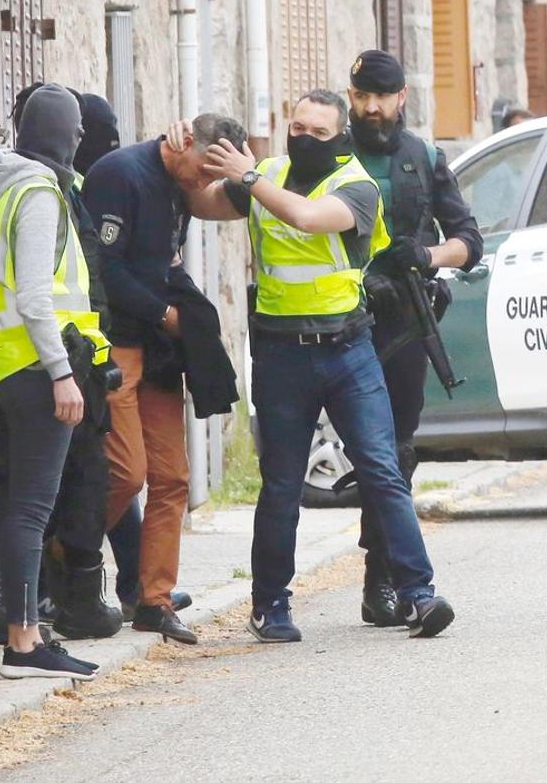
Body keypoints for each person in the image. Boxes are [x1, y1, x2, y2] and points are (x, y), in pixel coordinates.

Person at [187, 89, 455, 642]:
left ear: (340, 140)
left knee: (382, 470)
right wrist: (188, 160)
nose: (303, 138)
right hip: (281, 353)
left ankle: (419, 594)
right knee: (281, 484)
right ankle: (270, 605)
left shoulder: (355, 186)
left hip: (348, 349)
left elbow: (309, 218)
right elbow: (202, 204)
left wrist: (249, 177)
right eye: (297, 127)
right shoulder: (267, 173)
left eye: (317, 132)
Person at [0, 87, 125, 646]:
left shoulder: (6, 189)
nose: (82, 142)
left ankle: (19, 630)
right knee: (32, 510)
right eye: (76, 131)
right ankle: (25, 639)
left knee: (20, 499)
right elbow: (34, 296)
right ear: (63, 135)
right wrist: (62, 372)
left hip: (15, 366)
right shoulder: (37, 193)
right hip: (41, 368)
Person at [80, 114, 243, 645]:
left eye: (212, 177)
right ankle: (66, 550)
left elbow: (165, 258)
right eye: (203, 169)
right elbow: (106, 266)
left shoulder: (182, 184)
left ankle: (155, 599)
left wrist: (185, 316)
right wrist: (166, 314)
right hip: (121, 341)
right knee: (126, 473)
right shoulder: (121, 174)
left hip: (159, 352)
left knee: (173, 477)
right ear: (185, 140)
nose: (203, 184)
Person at [344, 50, 482, 625]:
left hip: (403, 324)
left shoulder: (423, 157)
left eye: (383, 97)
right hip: (341, 321)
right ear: (351, 97)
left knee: (396, 450)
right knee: (361, 451)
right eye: (362, 97)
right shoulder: (330, 152)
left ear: (402, 97)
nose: (372, 108)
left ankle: (386, 579)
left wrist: (425, 255)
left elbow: (469, 240)